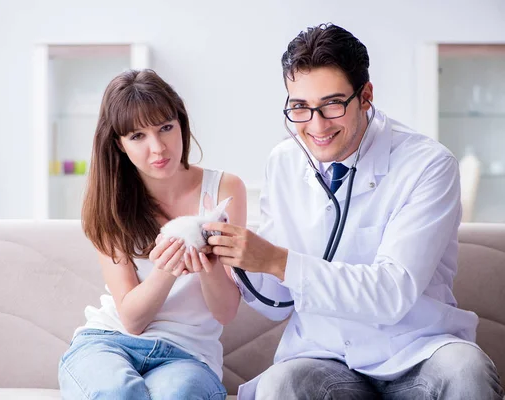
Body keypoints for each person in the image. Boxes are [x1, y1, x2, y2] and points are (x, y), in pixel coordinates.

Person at [204, 24, 504, 399]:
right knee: (281, 384)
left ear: (365, 96)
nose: (316, 126)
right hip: (325, 355)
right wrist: (235, 258)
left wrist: (278, 260)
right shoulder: (284, 161)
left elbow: (392, 292)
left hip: (415, 350)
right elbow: (278, 303)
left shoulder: (428, 165)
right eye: (300, 107)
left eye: (332, 104)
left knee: (466, 370)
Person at [58, 69, 246, 399]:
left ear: (181, 124)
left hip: (189, 355)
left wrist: (209, 263)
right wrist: (166, 269)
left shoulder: (224, 190)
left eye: (165, 128)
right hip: (109, 341)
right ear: (119, 145)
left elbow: (226, 312)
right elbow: (131, 320)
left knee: (178, 394)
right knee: (117, 392)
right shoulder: (110, 203)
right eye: (138, 137)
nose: (158, 148)